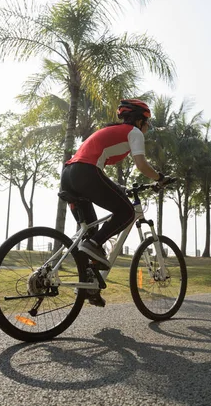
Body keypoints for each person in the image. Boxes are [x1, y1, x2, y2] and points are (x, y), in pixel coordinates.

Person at [60, 99, 167, 306]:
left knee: (91, 237)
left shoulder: (112, 132)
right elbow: (142, 165)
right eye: (148, 123)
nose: (148, 128)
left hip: (69, 176)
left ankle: (88, 287)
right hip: (85, 172)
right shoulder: (133, 132)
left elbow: (98, 171)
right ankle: (92, 247)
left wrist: (120, 189)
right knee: (126, 212)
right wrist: (159, 178)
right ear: (140, 120)